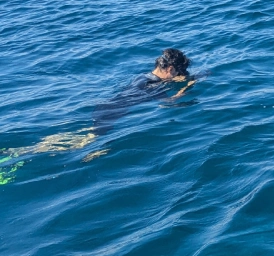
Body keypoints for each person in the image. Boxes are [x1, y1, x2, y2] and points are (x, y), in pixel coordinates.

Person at [0, 48, 197, 182]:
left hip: (105, 107)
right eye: (179, 71)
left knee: (85, 135)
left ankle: (25, 150)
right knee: (87, 143)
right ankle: (25, 155)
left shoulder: (144, 76)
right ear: (170, 69)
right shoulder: (151, 85)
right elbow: (169, 103)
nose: (181, 74)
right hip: (112, 112)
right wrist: (186, 87)